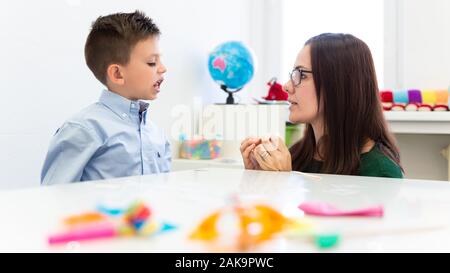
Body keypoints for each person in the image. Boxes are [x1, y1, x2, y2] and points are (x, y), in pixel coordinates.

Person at [240, 33, 403, 178]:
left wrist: (283, 182)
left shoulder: (381, 172)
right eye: (293, 75)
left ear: (338, 85)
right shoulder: (298, 155)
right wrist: (257, 178)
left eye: (301, 75)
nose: (286, 86)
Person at [41, 11, 170, 185]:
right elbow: (54, 197)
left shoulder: (157, 134)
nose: (163, 68)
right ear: (117, 73)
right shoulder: (84, 129)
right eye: (152, 62)